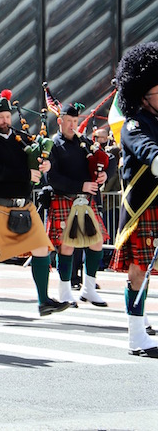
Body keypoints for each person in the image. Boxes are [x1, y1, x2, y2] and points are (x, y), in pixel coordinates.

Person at [0, 90, 69, 322]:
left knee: (41, 249)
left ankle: (43, 301)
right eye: (1, 117)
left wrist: (45, 164)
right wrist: (24, 173)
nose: (6, 121)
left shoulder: (22, 139)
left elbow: (37, 160)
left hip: (23, 205)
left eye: (8, 116)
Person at [111, 42, 158, 357]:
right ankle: (136, 335)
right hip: (143, 209)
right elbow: (146, 150)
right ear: (143, 95)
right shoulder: (134, 124)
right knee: (139, 270)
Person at [45, 103, 109, 308]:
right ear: (60, 121)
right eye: (69, 121)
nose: (73, 125)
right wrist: (81, 184)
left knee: (96, 241)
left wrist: (103, 176)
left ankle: (89, 289)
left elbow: (96, 165)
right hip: (65, 197)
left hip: (85, 200)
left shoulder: (85, 143)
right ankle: (64, 292)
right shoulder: (53, 145)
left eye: (76, 121)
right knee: (67, 245)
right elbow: (52, 178)